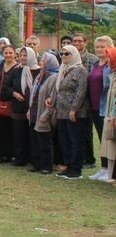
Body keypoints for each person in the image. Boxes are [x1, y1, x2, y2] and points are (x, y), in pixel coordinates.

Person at [50, 45, 90, 179]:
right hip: (61, 111)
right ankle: (68, 166)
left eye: (67, 54)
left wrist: (74, 109)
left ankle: (76, 169)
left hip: (75, 112)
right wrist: (52, 102)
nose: (63, 56)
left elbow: (81, 91)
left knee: (76, 141)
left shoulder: (80, 70)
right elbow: (58, 89)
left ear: (74, 55)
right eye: (61, 54)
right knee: (65, 140)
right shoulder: (63, 69)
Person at [27, 51, 59, 174]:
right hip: (34, 112)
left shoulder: (53, 77)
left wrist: (46, 114)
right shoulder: (40, 76)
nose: (41, 63)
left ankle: (46, 166)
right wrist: (29, 110)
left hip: (44, 113)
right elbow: (33, 94)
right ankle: (37, 164)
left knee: (45, 141)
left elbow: (52, 98)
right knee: (35, 140)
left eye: (44, 61)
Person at [88, 37, 115, 180]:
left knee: (107, 140)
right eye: (97, 46)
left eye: (102, 46)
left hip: (106, 107)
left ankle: (109, 169)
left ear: (110, 48)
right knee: (100, 139)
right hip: (94, 107)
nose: (99, 49)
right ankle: (103, 168)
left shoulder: (111, 65)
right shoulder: (94, 64)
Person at [11, 47, 40, 167]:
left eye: (25, 55)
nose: (22, 58)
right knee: (19, 135)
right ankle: (20, 158)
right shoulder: (17, 70)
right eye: (21, 55)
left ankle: (33, 159)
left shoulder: (39, 71)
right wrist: (14, 93)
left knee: (33, 135)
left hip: (33, 108)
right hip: (18, 107)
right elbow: (7, 87)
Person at [0, 44, 20, 164]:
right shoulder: (0, 66)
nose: (8, 55)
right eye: (6, 53)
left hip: (13, 102)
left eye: (10, 53)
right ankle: (3, 154)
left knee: (12, 129)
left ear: (15, 54)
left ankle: (13, 154)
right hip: (1, 101)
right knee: (1, 129)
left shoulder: (18, 68)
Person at [99, 47, 116, 183]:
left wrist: (114, 114)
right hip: (110, 115)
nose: (107, 60)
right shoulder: (112, 74)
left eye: (109, 57)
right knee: (110, 146)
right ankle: (111, 175)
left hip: (113, 115)